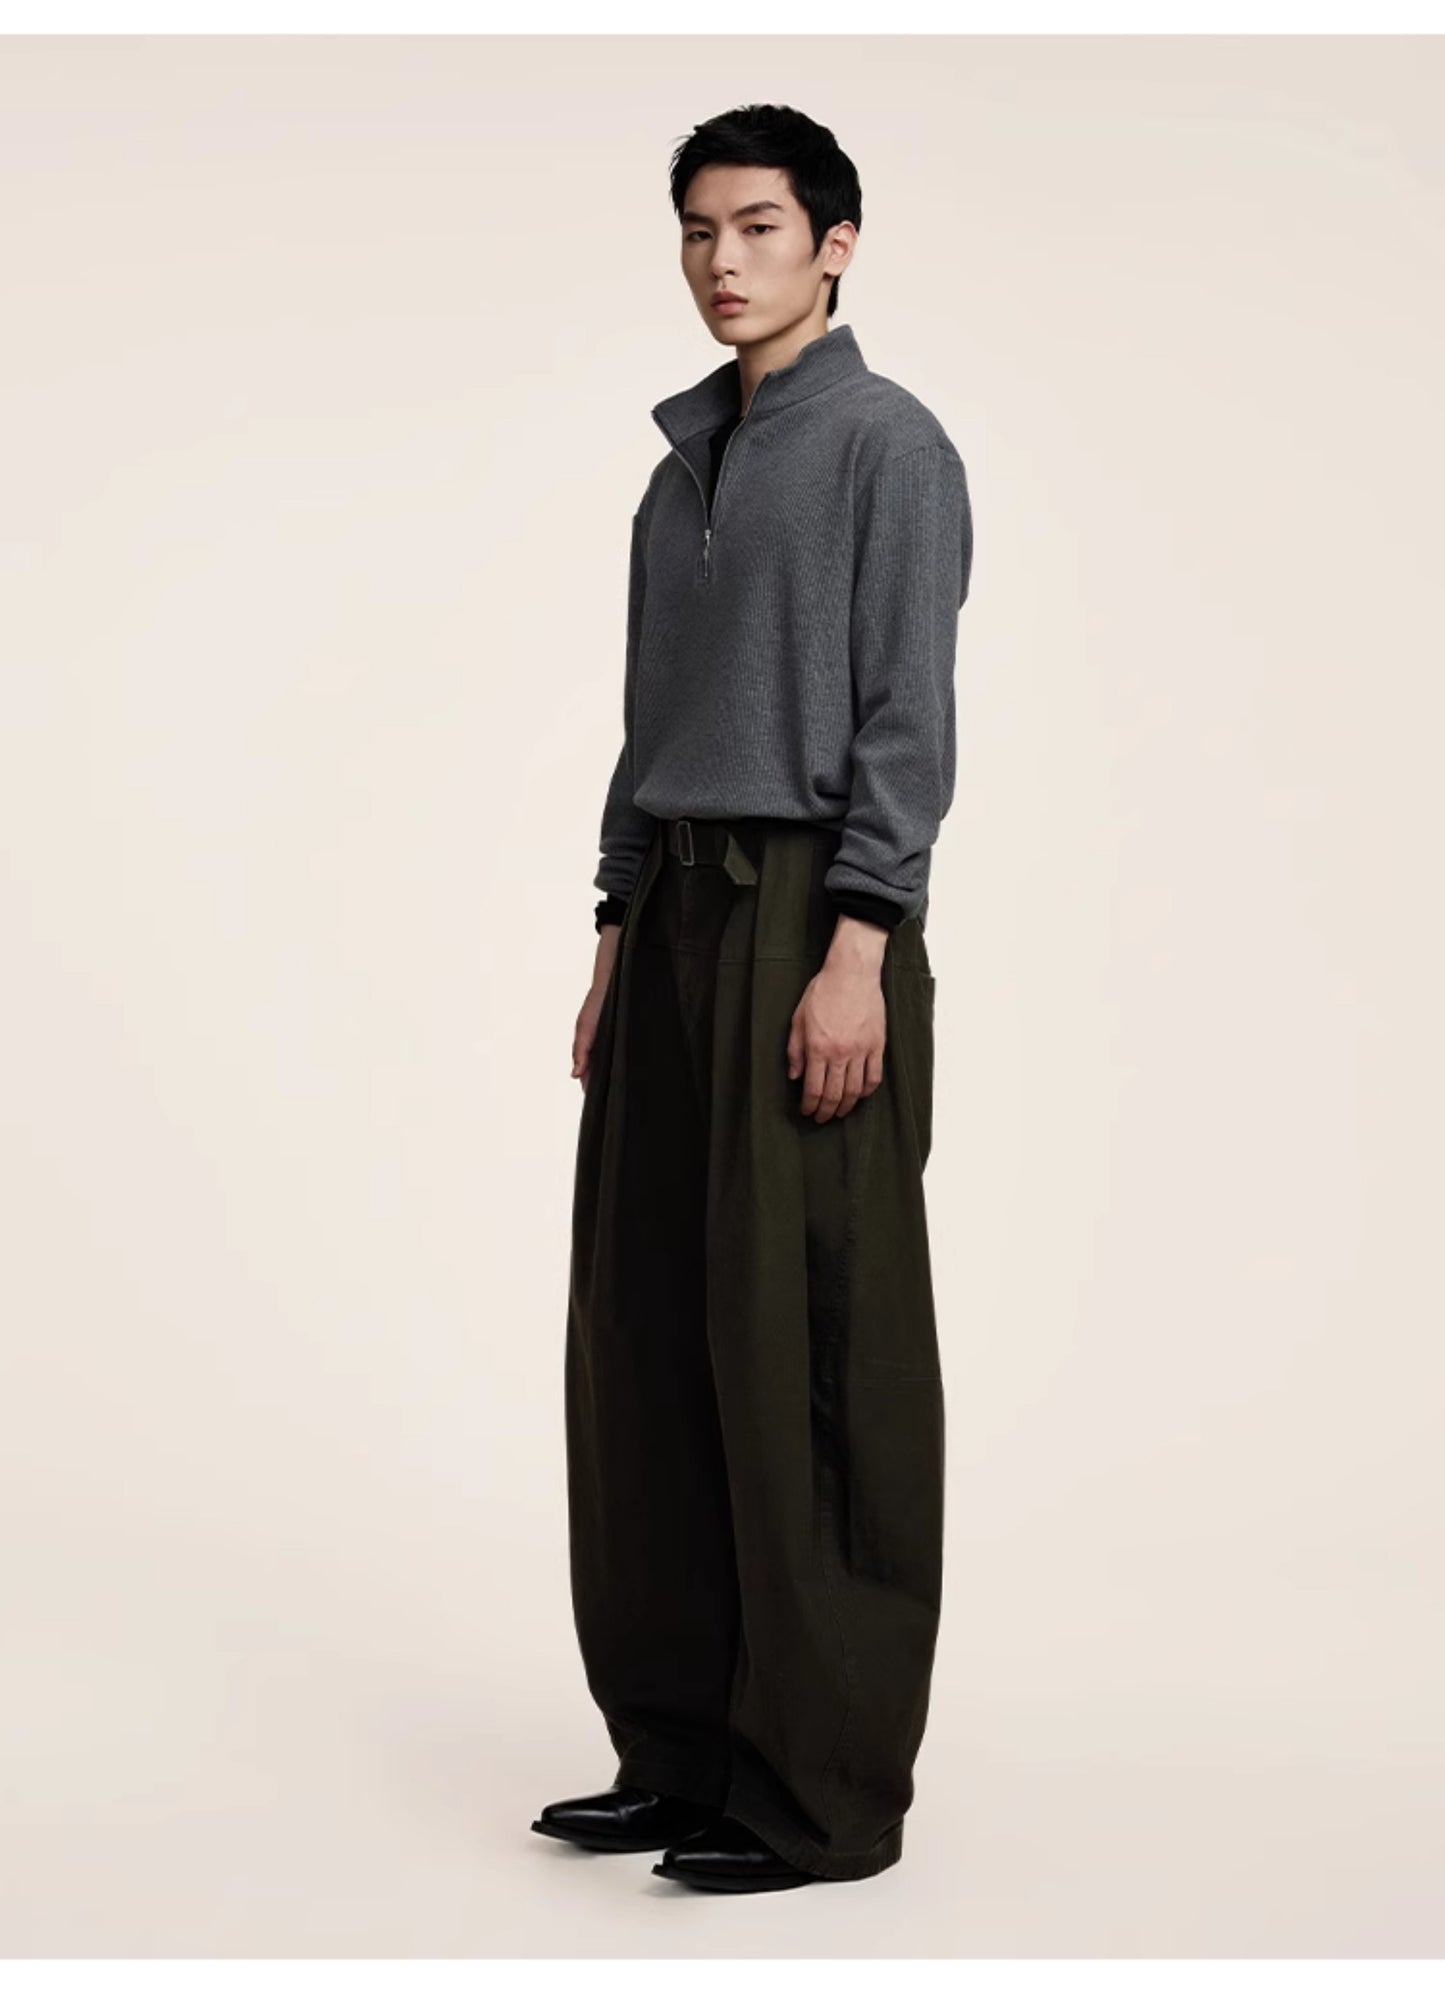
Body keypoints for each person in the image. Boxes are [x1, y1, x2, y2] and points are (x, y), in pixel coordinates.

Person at [531, 103, 973, 1893]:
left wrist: (858, 943)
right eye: (700, 230)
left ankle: (820, 1792)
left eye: (761, 227)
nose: (723, 261)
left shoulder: (887, 446)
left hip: (809, 915)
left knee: (809, 1350)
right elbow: (651, 718)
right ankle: (679, 1751)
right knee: (644, 1339)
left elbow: (905, 715)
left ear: (834, 245)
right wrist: (614, 928)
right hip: (672, 919)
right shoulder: (679, 472)